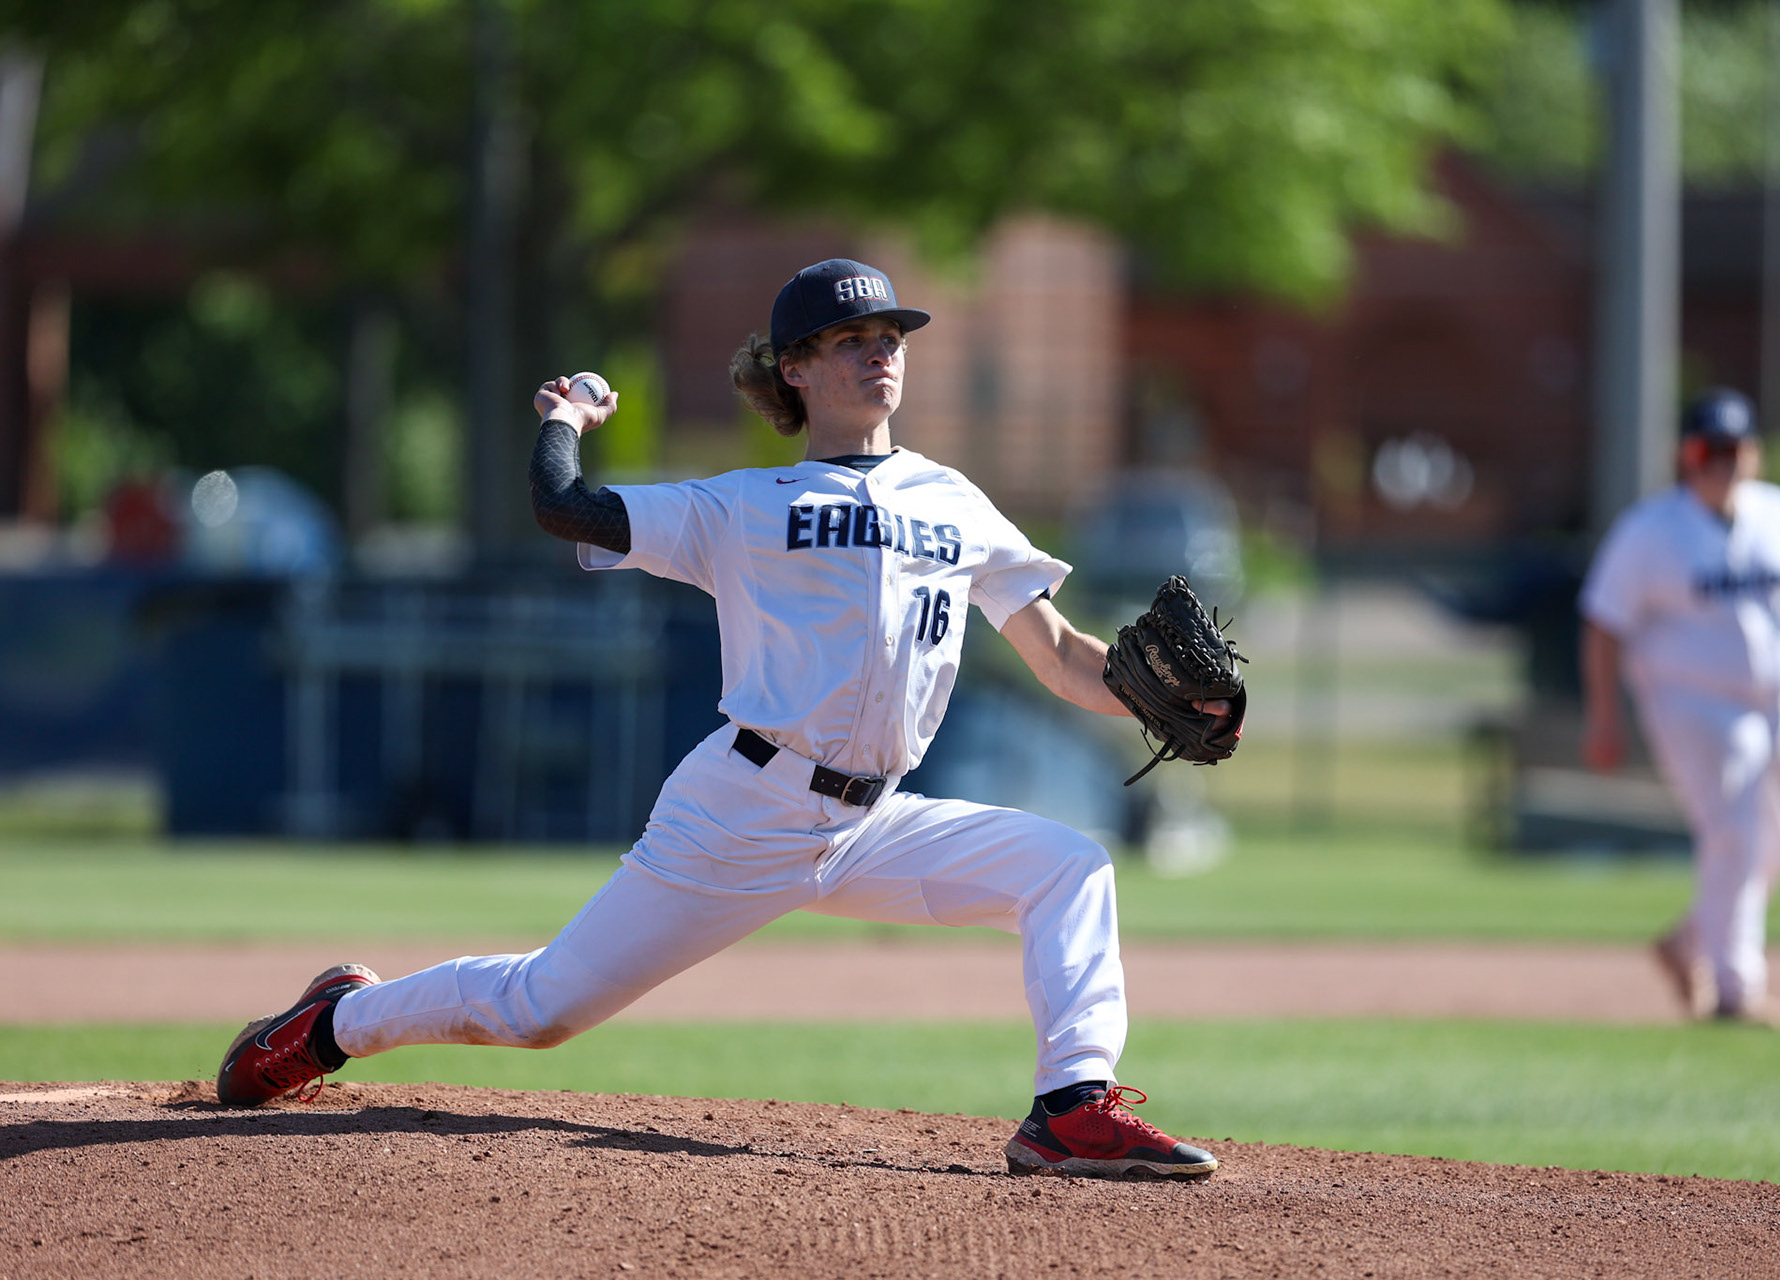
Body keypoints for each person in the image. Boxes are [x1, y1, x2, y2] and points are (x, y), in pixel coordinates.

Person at [216, 258, 1224, 1181]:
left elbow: (1059, 653)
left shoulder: (953, 500)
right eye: (852, 338)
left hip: (873, 821)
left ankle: (1071, 1107)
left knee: (1068, 864)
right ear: (796, 367)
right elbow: (563, 505)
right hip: (743, 807)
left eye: (892, 337)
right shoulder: (742, 504)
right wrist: (564, 414)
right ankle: (332, 1023)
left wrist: (1167, 699)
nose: (881, 350)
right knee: (539, 1009)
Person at [1579, 387, 1780, 1025]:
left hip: (1777, 699)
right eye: (1710, 449)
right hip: (1690, 701)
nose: (1722, 463)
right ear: (1687, 454)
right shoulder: (1651, 531)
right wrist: (1603, 715)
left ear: (1754, 454)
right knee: (1733, 832)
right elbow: (1602, 624)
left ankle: (1690, 941)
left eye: (1735, 449)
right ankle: (1736, 990)